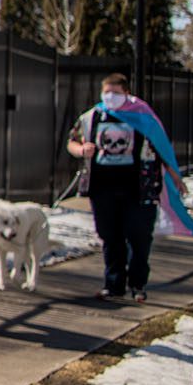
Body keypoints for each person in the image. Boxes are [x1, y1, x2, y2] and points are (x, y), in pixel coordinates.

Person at [67, 72, 165, 302]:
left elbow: (162, 148)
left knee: (139, 237)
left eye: (116, 93)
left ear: (126, 93)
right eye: (107, 92)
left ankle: (138, 284)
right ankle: (113, 284)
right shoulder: (92, 117)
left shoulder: (142, 117)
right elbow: (72, 141)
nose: (110, 97)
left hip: (138, 188)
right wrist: (81, 150)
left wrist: (176, 180)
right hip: (102, 187)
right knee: (110, 237)